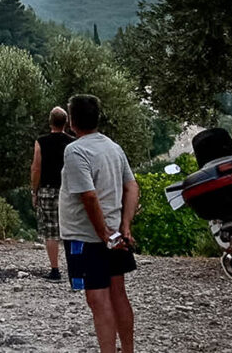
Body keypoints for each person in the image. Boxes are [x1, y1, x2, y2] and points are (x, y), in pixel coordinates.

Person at [59, 94, 140, 353]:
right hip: (116, 234)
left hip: (87, 237)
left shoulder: (75, 150)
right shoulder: (113, 147)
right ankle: (127, 350)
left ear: (72, 121)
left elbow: (89, 196)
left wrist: (102, 233)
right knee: (119, 294)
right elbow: (132, 186)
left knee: (98, 298)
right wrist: (125, 226)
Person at [31, 106, 74, 281]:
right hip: (69, 190)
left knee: (51, 230)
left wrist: (34, 191)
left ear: (50, 122)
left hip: (48, 189)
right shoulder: (73, 142)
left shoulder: (41, 142)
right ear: (66, 122)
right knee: (72, 230)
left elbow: (36, 167)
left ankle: (55, 270)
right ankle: (75, 268)